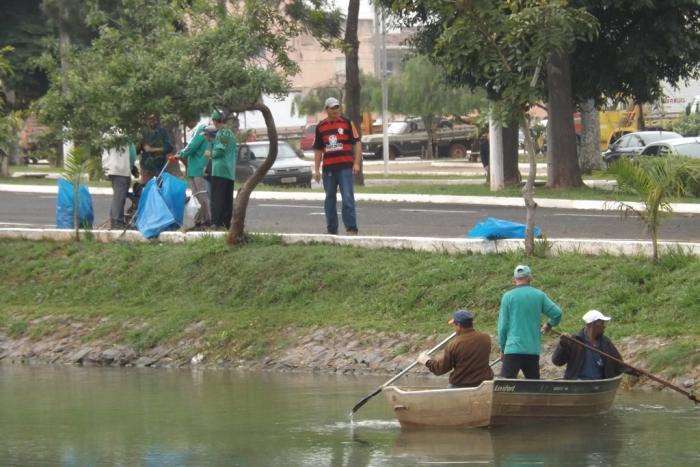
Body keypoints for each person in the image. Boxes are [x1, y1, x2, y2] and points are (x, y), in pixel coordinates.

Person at [497, 264, 562, 379]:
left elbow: (503, 327)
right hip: (532, 350)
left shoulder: (508, 297)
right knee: (534, 388)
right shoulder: (539, 295)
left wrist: (502, 348)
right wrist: (549, 324)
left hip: (512, 349)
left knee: (504, 388)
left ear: (514, 280)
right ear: (530, 278)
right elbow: (557, 313)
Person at [312, 97, 362, 235]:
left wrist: (356, 163)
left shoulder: (347, 123)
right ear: (326, 109)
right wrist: (316, 170)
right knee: (329, 199)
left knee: (347, 198)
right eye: (331, 108)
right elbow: (317, 150)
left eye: (336, 107)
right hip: (328, 169)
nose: (334, 110)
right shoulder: (320, 127)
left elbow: (357, 143)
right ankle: (332, 229)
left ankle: (351, 228)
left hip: (345, 167)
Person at [417, 309, 494, 388]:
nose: (453, 327)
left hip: (461, 385)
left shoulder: (454, 344)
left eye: (454, 325)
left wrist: (426, 361)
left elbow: (440, 369)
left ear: (459, 326)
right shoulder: (485, 338)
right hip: (484, 383)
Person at [552, 310, 636, 380]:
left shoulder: (605, 342)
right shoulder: (574, 340)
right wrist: (563, 345)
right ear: (593, 325)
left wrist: (635, 371)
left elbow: (618, 363)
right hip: (577, 382)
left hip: (599, 384)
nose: (604, 326)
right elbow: (557, 362)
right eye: (602, 323)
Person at [206, 111, 237, 229]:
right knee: (227, 198)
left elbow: (219, 150)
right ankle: (226, 223)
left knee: (217, 197)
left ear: (215, 121)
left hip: (220, 170)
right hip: (229, 171)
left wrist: (210, 154)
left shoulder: (223, 133)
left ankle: (216, 223)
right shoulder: (230, 133)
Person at [178, 117, 211, 227]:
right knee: (196, 196)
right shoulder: (198, 130)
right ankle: (199, 220)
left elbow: (192, 145)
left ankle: (205, 219)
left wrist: (181, 154)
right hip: (194, 167)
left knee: (200, 194)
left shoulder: (201, 128)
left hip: (198, 167)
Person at [101, 140, 138, 229]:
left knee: (117, 196)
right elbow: (132, 153)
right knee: (119, 197)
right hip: (120, 169)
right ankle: (117, 222)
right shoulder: (123, 133)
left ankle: (114, 221)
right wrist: (132, 166)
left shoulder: (110, 132)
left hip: (114, 168)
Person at [137, 114, 173, 184]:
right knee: (146, 188)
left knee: (161, 186)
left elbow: (169, 148)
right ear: (146, 121)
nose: (151, 121)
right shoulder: (142, 132)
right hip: (146, 166)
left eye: (153, 119)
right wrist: (139, 142)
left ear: (157, 120)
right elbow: (137, 151)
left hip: (160, 165)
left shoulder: (162, 132)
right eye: (149, 119)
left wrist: (152, 149)